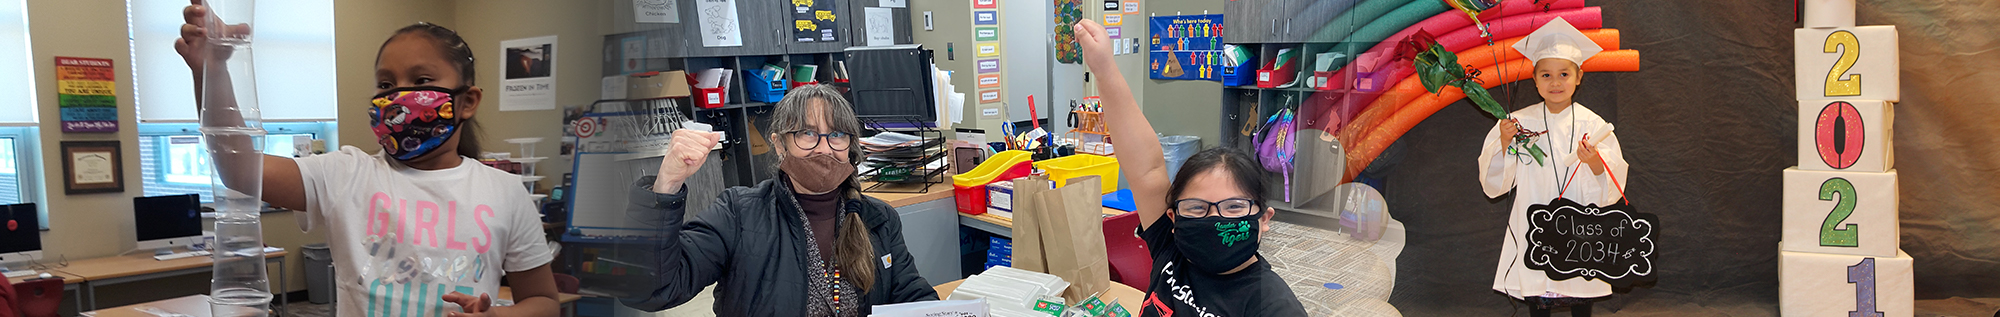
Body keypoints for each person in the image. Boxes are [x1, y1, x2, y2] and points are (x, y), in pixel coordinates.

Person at [175, 2, 560, 316]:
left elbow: (543, 301)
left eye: (422, 82)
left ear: (467, 101)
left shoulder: (505, 192)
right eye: (386, 84)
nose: (399, 97)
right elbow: (239, 165)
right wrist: (213, 71)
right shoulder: (346, 174)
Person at [623, 84, 937, 315]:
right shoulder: (739, 214)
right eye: (807, 134)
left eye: (837, 135)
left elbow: (910, 294)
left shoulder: (877, 217)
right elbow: (649, 290)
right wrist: (667, 184)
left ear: (851, 145)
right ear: (778, 143)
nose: (824, 148)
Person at [1074, 19, 1308, 316]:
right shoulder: (1171, 249)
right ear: (1172, 217)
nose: (1215, 218)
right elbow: (1146, 169)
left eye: (1234, 207)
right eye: (1197, 208)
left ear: (1263, 218)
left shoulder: (1273, 306)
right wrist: (1104, 68)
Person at [1477, 17, 1629, 317]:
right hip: (1534, 218)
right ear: (1535, 80)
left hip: (1579, 221)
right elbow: (1496, 182)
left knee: (1580, 292)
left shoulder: (1593, 124)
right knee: (1538, 294)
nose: (1555, 82)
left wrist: (1595, 162)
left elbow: (1613, 181)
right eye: (1546, 75)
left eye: (1564, 74)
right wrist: (1506, 143)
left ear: (1579, 76)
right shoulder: (1518, 123)